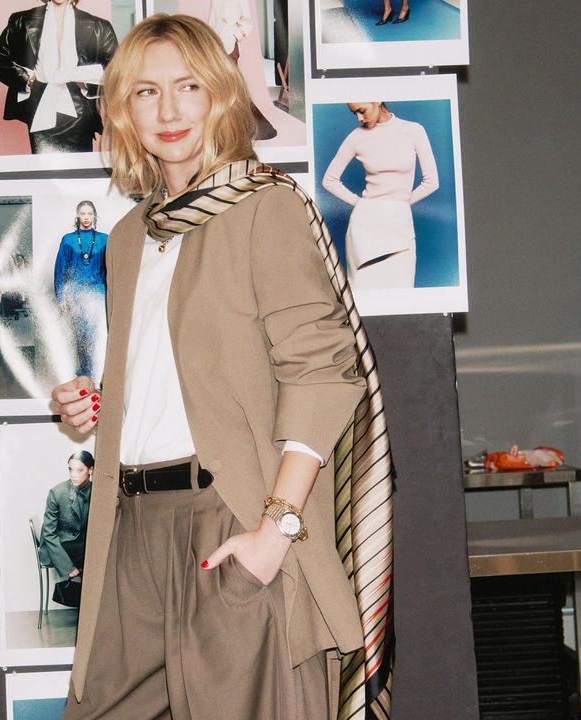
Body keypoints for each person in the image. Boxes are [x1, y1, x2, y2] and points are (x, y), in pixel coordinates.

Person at [50, 14, 393, 719]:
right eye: (146, 92)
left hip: (228, 521)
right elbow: (181, 374)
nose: (168, 111)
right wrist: (94, 404)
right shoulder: (128, 236)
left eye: (187, 86)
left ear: (220, 95)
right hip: (130, 532)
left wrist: (276, 531)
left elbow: (322, 373)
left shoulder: (267, 206)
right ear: (123, 111)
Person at [322, 100, 439, 290]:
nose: (359, 118)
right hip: (365, 226)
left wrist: (400, 205)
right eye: (354, 113)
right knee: (362, 293)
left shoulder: (413, 131)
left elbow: (431, 182)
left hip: (399, 223)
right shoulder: (356, 137)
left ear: (377, 100)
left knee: (401, 292)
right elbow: (329, 180)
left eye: (361, 111)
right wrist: (362, 204)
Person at [0, 0, 119, 154]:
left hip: (79, 110)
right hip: (41, 106)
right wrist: (26, 79)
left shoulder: (99, 26)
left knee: (78, 166)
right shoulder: (21, 20)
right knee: (44, 165)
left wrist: (87, 83)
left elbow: (118, 73)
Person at [205, 0, 277, 140]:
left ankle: (258, 127)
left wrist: (234, 36)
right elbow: (212, 20)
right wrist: (209, 42)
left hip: (230, 45)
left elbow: (247, 22)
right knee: (223, 86)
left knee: (233, 87)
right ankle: (228, 127)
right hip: (216, 45)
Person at [53, 201, 108, 381]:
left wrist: (111, 297)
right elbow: (60, 269)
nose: (86, 217)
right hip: (75, 295)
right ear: (77, 215)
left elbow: (110, 270)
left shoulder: (104, 239)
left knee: (95, 336)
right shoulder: (68, 240)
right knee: (80, 336)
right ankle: (83, 376)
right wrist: (61, 297)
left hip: (97, 294)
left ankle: (96, 376)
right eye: (83, 213)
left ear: (94, 215)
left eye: (89, 214)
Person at [38, 450, 95, 607]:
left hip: (81, 544)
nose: (73, 475)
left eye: (79, 470)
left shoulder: (97, 492)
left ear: (91, 470)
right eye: (71, 469)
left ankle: (92, 605)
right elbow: (48, 534)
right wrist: (67, 567)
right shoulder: (57, 493)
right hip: (59, 544)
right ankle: (88, 604)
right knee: (94, 558)